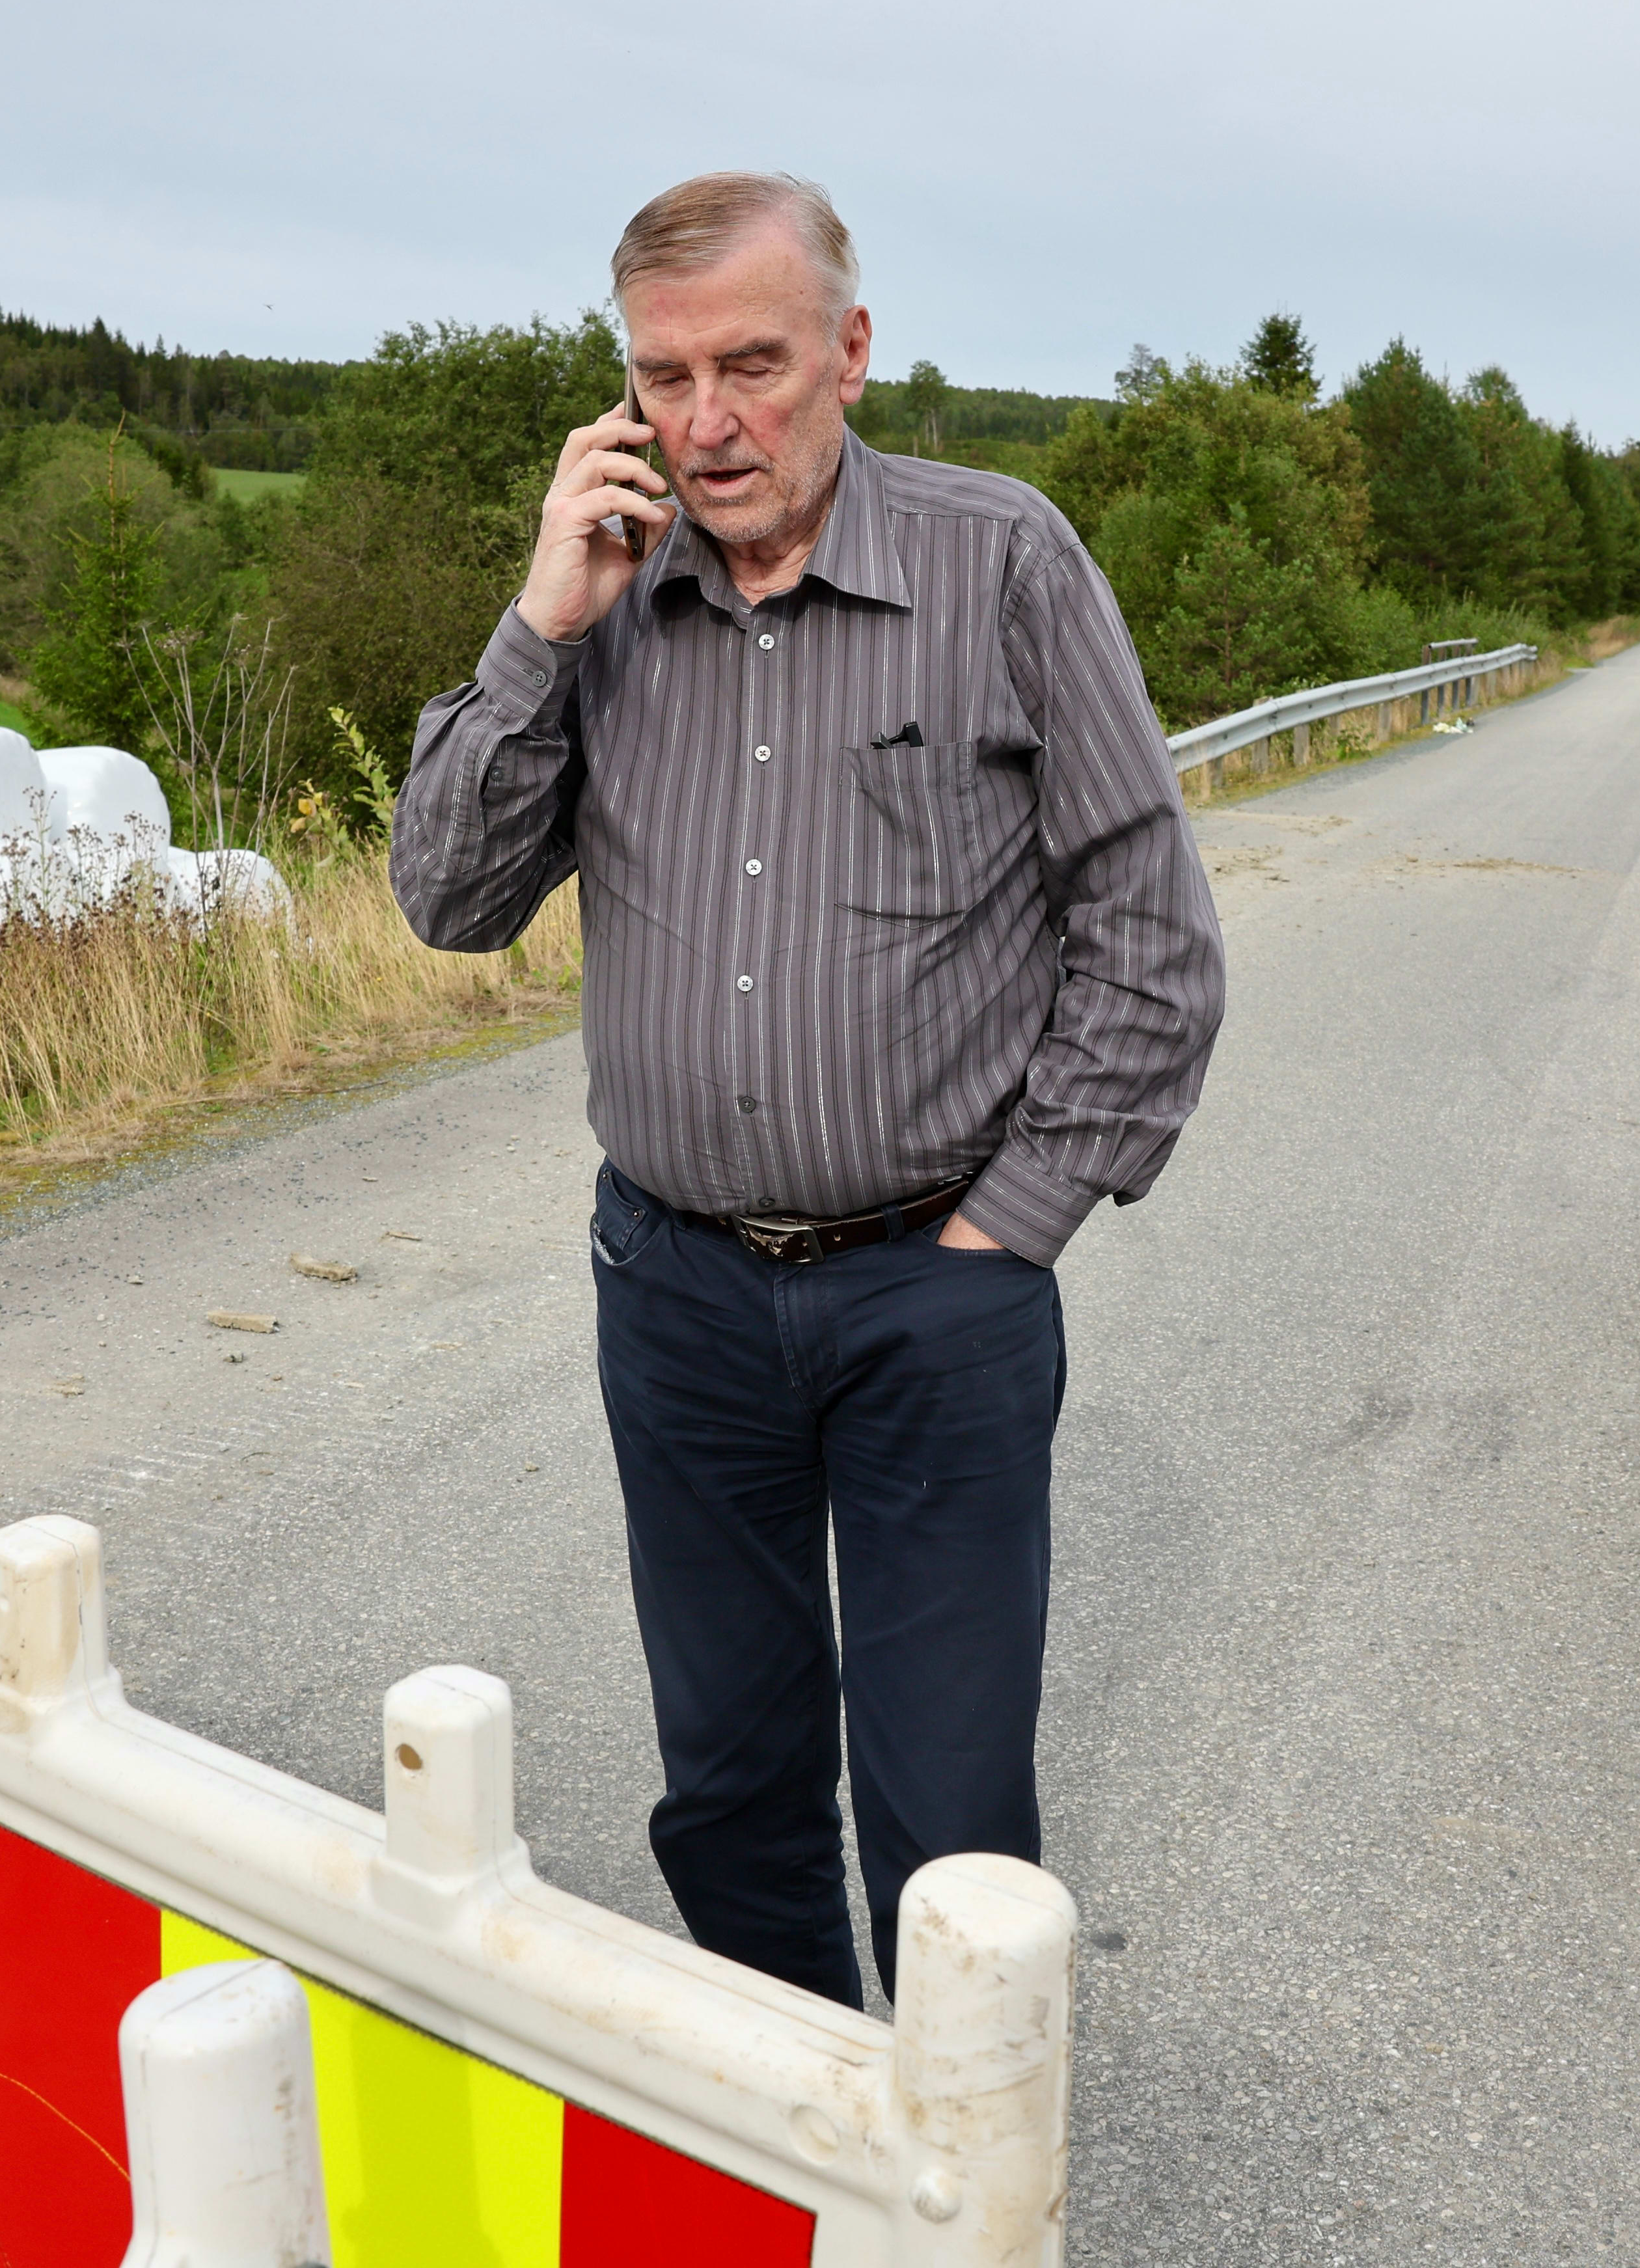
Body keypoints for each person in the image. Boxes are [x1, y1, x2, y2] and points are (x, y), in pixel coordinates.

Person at [391, 172, 1225, 2006]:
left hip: (938, 1296)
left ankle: (952, 2141)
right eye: (663, 376)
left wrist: (1012, 1227)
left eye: (752, 366)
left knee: (951, 1823)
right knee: (731, 1792)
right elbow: (448, 900)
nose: (706, 423)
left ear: (850, 351)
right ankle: (788, 2122)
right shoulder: (605, 601)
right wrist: (539, 624)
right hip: (679, 1294)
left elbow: (1150, 931)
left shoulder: (1003, 564)